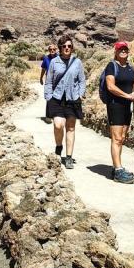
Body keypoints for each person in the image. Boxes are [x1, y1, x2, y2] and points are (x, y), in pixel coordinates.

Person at [43, 35, 86, 169]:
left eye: (69, 46)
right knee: (58, 125)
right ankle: (58, 146)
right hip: (56, 98)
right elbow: (49, 81)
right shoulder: (54, 62)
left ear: (72, 48)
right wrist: (48, 97)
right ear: (60, 48)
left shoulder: (77, 62)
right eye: (64, 46)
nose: (67, 48)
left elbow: (82, 80)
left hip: (72, 99)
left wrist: (80, 94)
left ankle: (68, 157)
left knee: (71, 127)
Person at [103, 41, 134, 183]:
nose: (123, 51)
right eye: (120, 49)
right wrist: (127, 96)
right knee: (117, 138)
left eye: (125, 49)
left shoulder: (130, 67)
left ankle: (116, 166)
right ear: (116, 52)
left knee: (122, 137)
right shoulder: (111, 66)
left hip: (127, 106)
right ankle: (118, 171)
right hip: (115, 105)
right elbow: (110, 86)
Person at [39, 43, 58, 123]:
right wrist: (41, 78)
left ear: (56, 50)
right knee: (49, 98)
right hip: (49, 81)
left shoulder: (59, 58)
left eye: (54, 49)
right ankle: (48, 116)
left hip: (58, 81)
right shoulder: (46, 58)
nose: (52, 51)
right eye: (50, 49)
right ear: (48, 50)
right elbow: (43, 69)